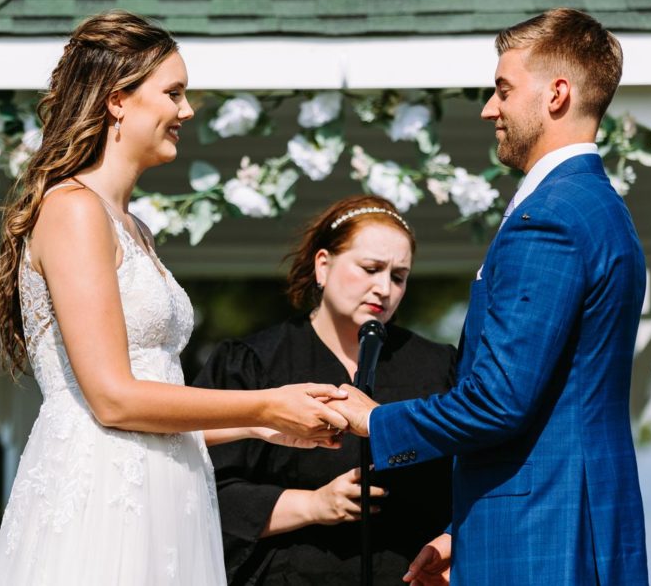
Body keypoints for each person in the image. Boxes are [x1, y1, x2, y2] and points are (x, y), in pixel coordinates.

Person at [0, 10, 349, 585]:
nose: (187, 110)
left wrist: (261, 428)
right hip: (104, 495)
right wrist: (262, 405)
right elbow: (112, 401)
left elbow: (155, 398)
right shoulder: (73, 210)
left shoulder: (135, 228)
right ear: (117, 101)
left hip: (166, 489)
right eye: (173, 93)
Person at [330, 8, 649, 585]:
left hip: (540, 539)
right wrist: (465, 532)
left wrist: (375, 421)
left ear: (556, 94)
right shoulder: (604, 210)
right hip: (576, 522)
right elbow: (558, 402)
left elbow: (499, 400)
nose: (488, 108)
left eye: (503, 90)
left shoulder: (548, 218)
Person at [193, 195, 455, 585]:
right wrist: (314, 504)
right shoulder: (254, 362)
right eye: (370, 269)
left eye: (399, 276)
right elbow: (202, 489)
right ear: (323, 265)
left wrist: (452, 540)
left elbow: (474, 474)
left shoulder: (438, 365)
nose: (384, 288)